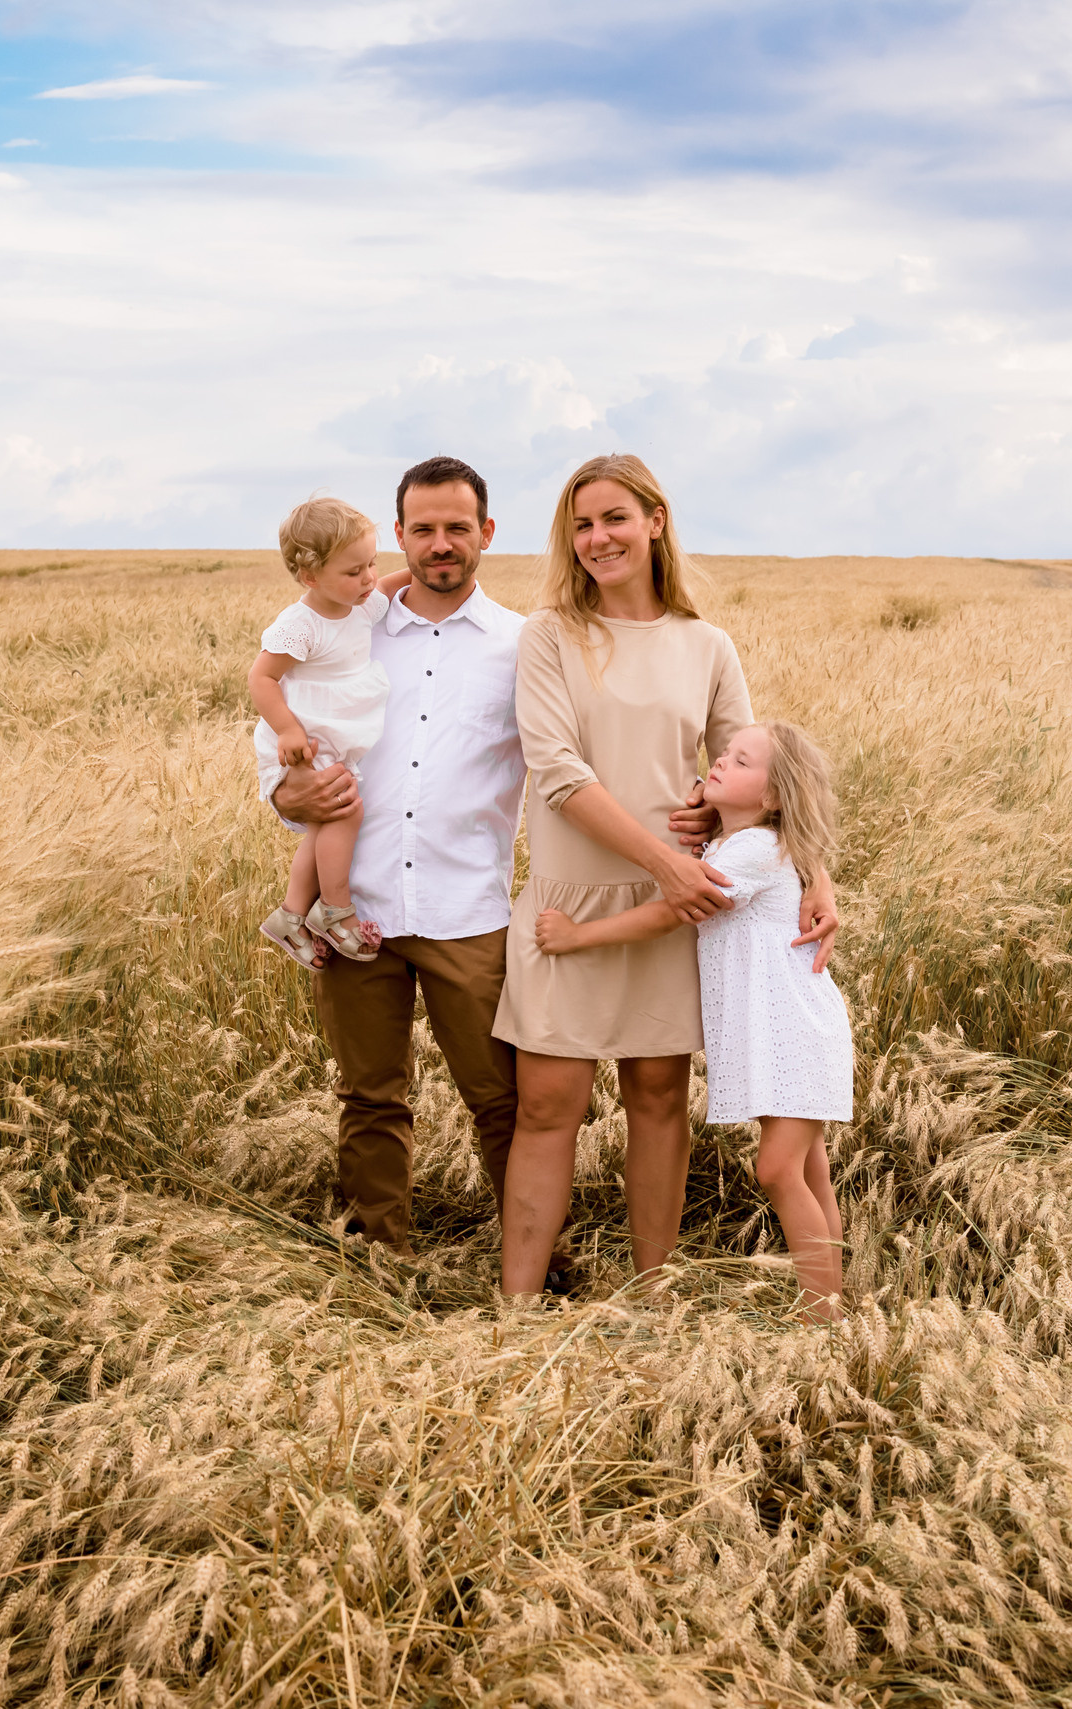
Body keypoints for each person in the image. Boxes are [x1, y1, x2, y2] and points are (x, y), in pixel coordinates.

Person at [491, 453, 838, 1301]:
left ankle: (652, 1296)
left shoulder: (705, 644)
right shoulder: (549, 635)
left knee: (656, 1096)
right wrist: (667, 863)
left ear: (655, 521)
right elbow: (558, 772)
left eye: (614, 517)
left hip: (670, 909)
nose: (598, 537)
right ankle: (516, 1308)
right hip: (570, 907)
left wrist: (816, 876)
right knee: (547, 1104)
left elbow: (763, 776)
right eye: (581, 524)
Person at [265, 457, 548, 1262]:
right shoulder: (349, 628)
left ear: (486, 532)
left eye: (457, 527)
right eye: (423, 529)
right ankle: (378, 1260)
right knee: (369, 1096)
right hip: (354, 909)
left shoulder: (521, 644)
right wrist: (288, 795)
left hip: (469, 911)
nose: (440, 543)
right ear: (399, 534)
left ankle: (534, 1260)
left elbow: (563, 764)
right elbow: (285, 744)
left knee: (502, 1098)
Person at [534, 722, 854, 1318]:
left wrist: (579, 936)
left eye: (741, 761)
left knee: (779, 1168)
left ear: (773, 796)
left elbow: (670, 913)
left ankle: (824, 1319)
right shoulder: (737, 846)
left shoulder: (754, 851)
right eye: (725, 753)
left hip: (793, 1031)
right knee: (810, 1171)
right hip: (783, 1031)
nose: (721, 761)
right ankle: (831, 1312)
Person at [250, 497, 411, 965]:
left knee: (325, 822)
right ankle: (335, 909)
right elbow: (261, 678)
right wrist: (287, 730)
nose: (369, 578)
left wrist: (418, 569)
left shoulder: (359, 604)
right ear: (310, 576)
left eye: (372, 563)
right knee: (346, 812)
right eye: (354, 570)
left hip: (335, 732)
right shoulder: (302, 624)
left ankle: (290, 913)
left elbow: (390, 584)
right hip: (307, 735)